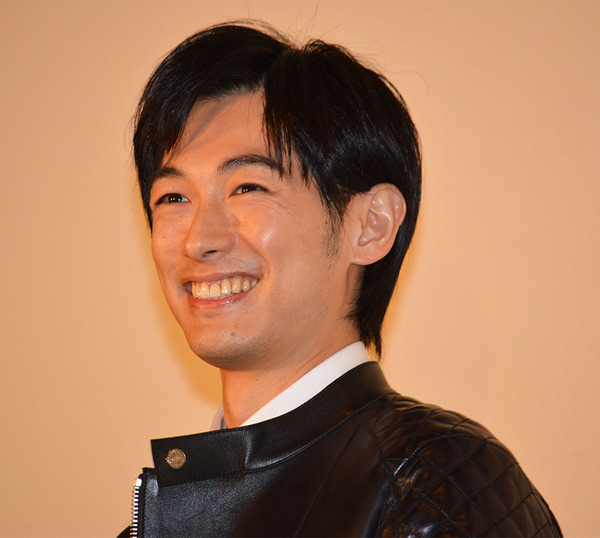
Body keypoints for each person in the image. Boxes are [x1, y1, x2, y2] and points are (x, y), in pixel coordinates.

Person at [121, 22, 561, 537]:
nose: (200, 240)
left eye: (247, 187)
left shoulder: (430, 482)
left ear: (370, 225)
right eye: (173, 198)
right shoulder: (166, 514)